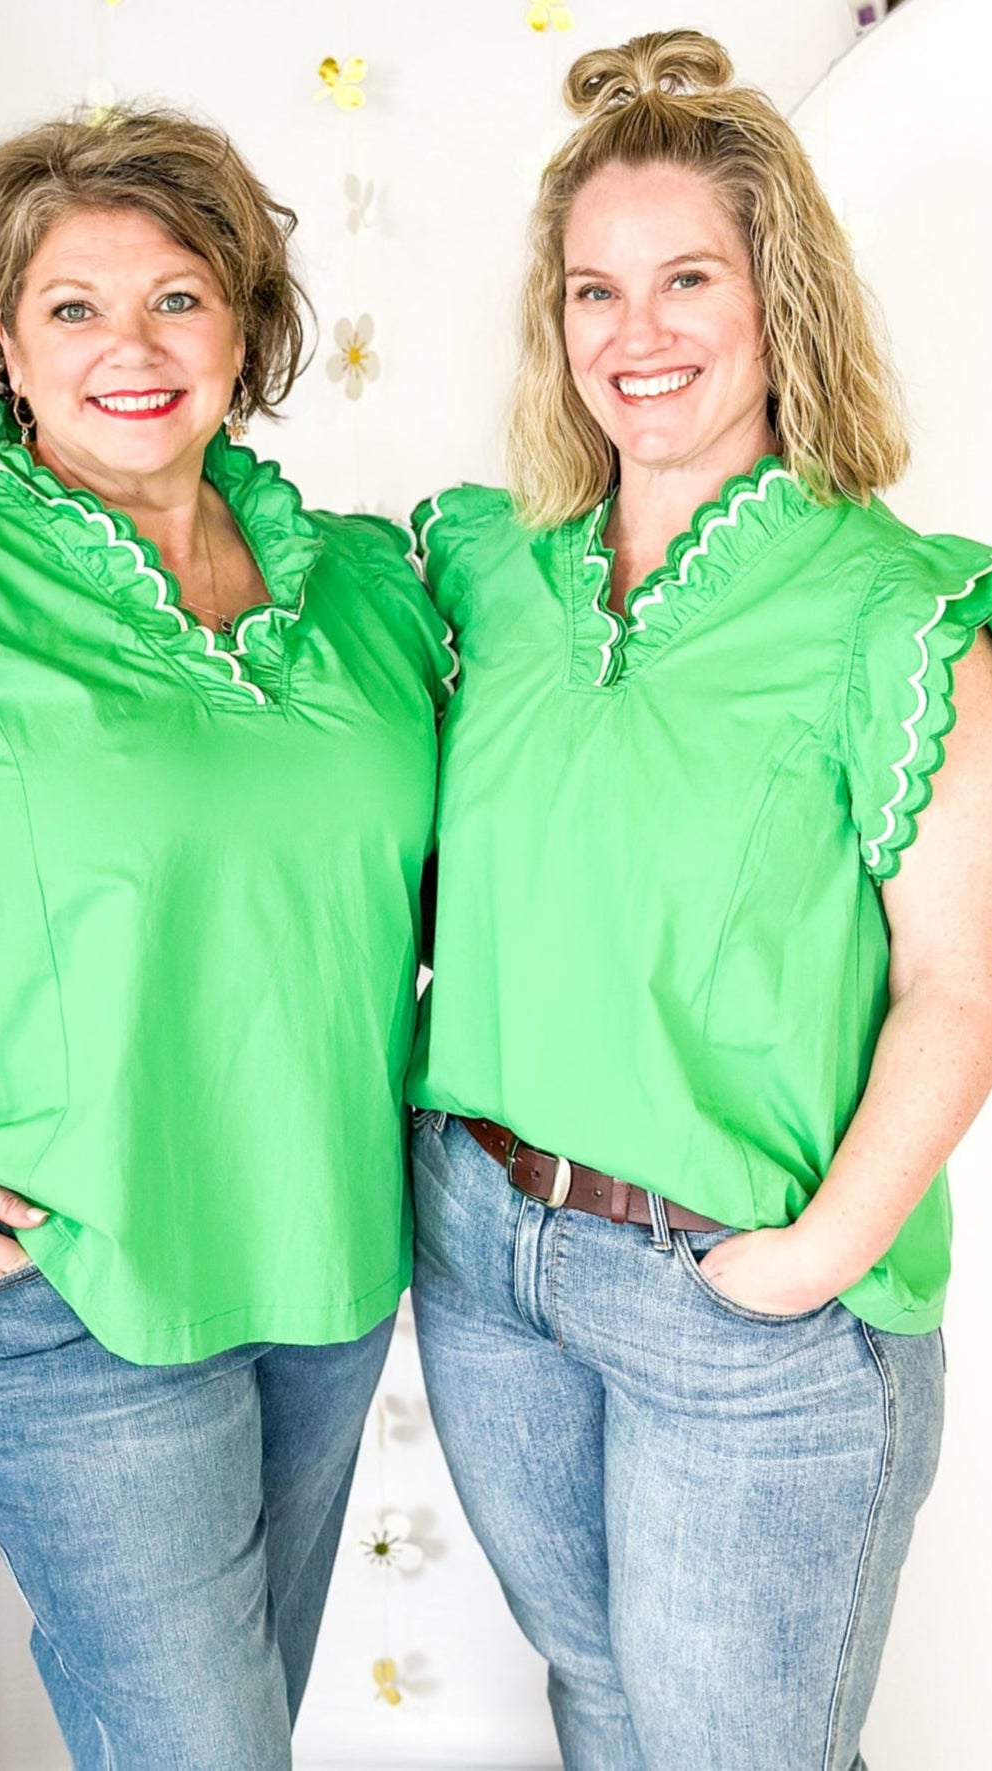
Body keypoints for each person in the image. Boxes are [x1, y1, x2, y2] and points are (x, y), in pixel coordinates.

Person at [0, 108, 452, 1770]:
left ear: (249, 326)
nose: (130, 348)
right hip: (50, 1270)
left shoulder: (365, 593)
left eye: (179, 298)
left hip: (324, 1253)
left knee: (221, 1731)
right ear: (2, 341)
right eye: (71, 307)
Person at [409, 30, 992, 1771]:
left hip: (736, 1299)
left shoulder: (895, 608)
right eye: (594, 290)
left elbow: (957, 985)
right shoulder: (486, 571)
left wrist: (809, 1261)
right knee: (596, 1704)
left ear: (776, 298)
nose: (634, 334)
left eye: (685, 279)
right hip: (484, 1250)